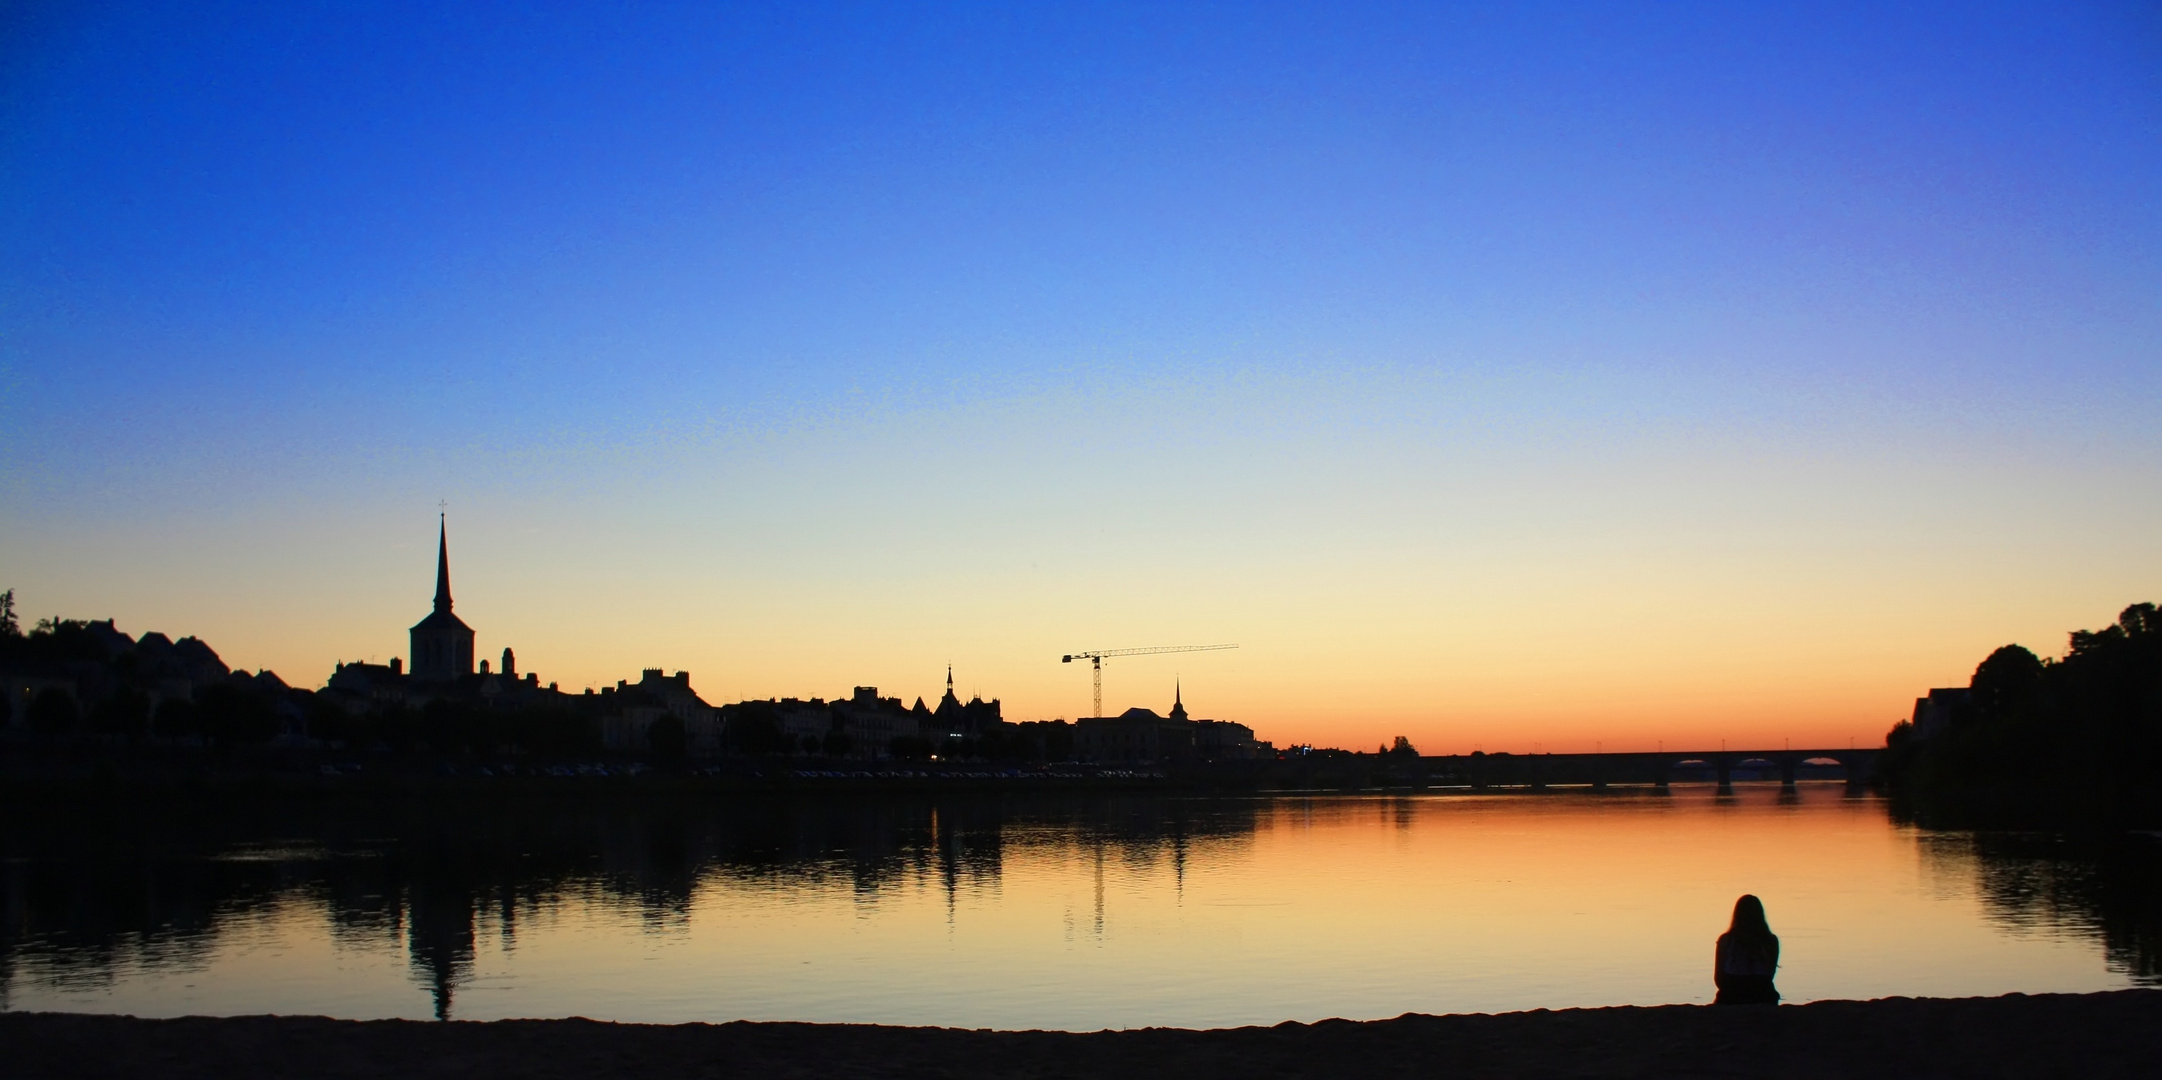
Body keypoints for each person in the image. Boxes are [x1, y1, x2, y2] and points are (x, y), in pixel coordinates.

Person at [1713, 894, 1780, 1005]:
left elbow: (1719, 979)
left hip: (1732, 994)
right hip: (1763, 994)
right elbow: (1770, 975)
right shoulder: (1771, 941)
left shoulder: (1726, 940)